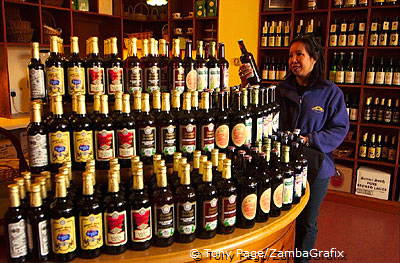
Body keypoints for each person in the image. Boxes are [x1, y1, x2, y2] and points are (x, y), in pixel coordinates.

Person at [239, 34, 349, 263]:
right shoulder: (282, 88)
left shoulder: (330, 92)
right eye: (291, 55)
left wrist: (310, 140)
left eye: (300, 54)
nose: (293, 59)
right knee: (281, 214)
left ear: (314, 58)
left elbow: (339, 129)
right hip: (282, 163)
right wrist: (246, 85)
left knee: (307, 221)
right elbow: (262, 112)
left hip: (316, 166)